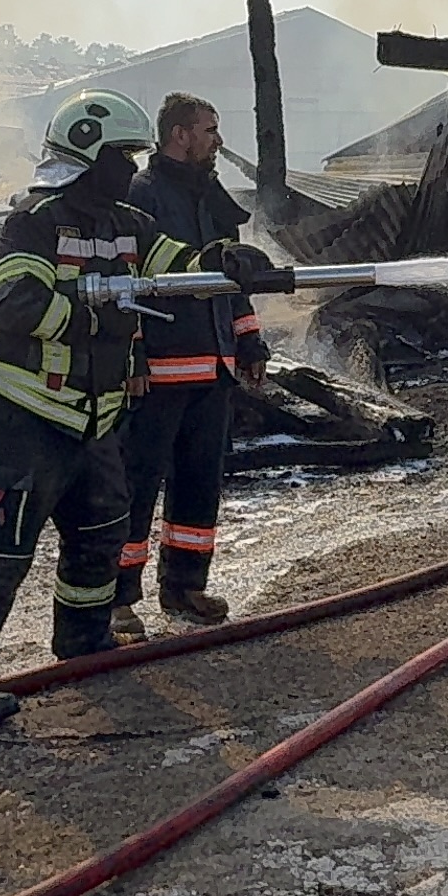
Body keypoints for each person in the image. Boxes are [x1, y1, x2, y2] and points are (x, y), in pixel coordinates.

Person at [0, 91, 266, 724]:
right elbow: (17, 304)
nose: (130, 168)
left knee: (100, 535)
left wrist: (224, 262)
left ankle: (83, 645)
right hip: (24, 416)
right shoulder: (33, 222)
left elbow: (174, 263)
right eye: (122, 156)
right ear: (88, 155)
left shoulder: (128, 224)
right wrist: (98, 317)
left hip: (95, 417)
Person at [110, 93, 270, 641]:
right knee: (136, 485)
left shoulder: (209, 196)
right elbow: (123, 287)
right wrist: (131, 356)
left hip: (214, 370)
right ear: (179, 134)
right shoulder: (140, 196)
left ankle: (185, 586)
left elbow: (232, 278)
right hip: (158, 372)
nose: (217, 140)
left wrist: (249, 344)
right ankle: (118, 600)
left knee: (200, 485)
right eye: (210, 129)